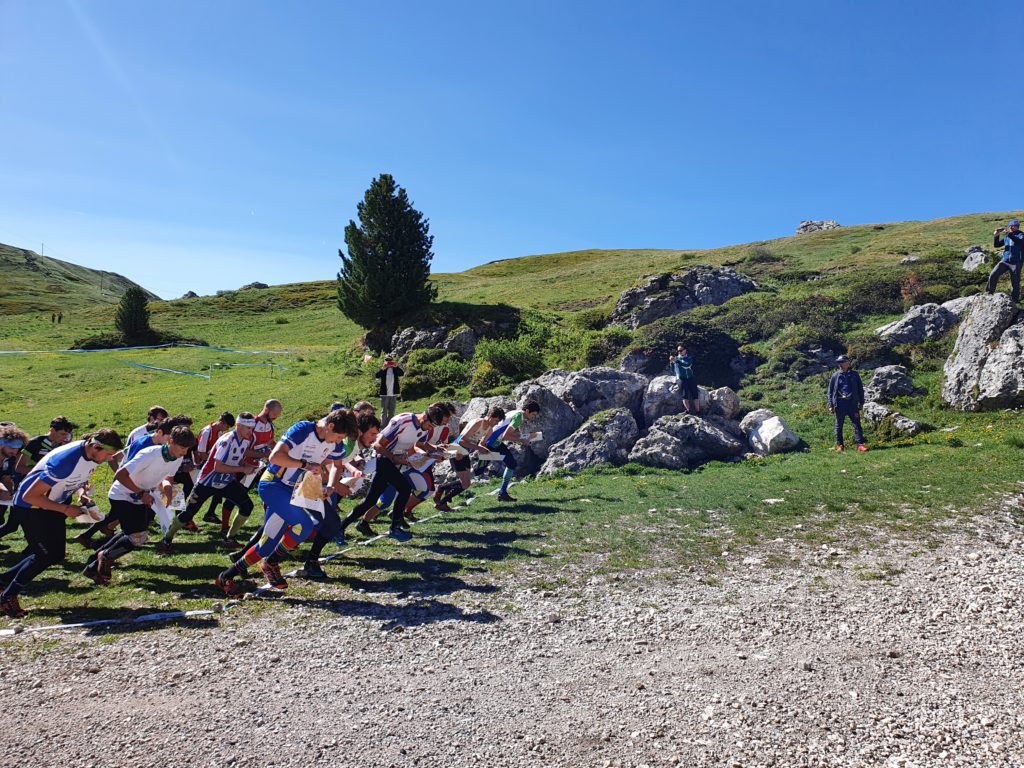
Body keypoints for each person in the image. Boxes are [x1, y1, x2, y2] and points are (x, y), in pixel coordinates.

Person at [215, 409, 358, 595]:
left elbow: (336, 465)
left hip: (300, 487)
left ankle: (226, 576)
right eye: (338, 436)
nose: (339, 442)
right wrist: (305, 465)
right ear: (329, 426)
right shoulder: (303, 429)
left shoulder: (334, 442)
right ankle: (271, 563)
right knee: (303, 526)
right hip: (274, 484)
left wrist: (331, 485)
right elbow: (275, 456)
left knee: (267, 543)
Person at [0, 429, 123, 618]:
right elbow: (30, 495)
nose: (108, 460)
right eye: (107, 455)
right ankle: (7, 596)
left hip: (52, 505)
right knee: (44, 554)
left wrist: (82, 495)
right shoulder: (65, 462)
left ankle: (3, 581)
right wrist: (66, 510)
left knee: (55, 554)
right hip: (30, 507)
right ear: (95, 446)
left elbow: (79, 479)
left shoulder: (92, 454)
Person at [82, 427, 197, 584]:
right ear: (171, 442)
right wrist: (142, 493)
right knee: (137, 537)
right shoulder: (150, 454)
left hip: (141, 497)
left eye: (187, 449)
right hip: (122, 495)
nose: (184, 453)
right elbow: (120, 475)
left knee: (135, 535)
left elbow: (168, 476)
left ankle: (93, 566)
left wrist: (168, 490)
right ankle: (106, 556)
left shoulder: (176, 458)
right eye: (182, 448)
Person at [76, 415, 193, 547]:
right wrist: (141, 491)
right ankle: (98, 543)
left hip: (143, 488)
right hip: (128, 486)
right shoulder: (145, 445)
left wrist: (166, 489)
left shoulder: (168, 453)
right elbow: (126, 470)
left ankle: (97, 538)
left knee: (120, 518)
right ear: (161, 434)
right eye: (168, 437)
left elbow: (165, 475)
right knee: (120, 517)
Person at [338, 403, 449, 543]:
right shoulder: (403, 421)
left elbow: (417, 446)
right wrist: (395, 458)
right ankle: (394, 527)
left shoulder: (425, 427)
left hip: (395, 461)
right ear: (425, 416)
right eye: (430, 425)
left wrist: (433, 454)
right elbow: (378, 445)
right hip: (383, 458)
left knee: (370, 500)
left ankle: (342, 527)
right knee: (404, 489)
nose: (430, 429)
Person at [296, 413, 380, 579]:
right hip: (305, 481)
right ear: (360, 432)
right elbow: (325, 462)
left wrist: (337, 481)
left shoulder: (353, 445)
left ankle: (305, 559)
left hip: (313, 482)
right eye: (372, 434)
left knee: (328, 522)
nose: (374, 439)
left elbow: (338, 463)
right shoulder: (347, 444)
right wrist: (336, 484)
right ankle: (298, 558)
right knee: (328, 522)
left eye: (376, 434)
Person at [158, 414, 257, 554]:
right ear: (238, 426)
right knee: (188, 513)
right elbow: (218, 467)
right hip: (207, 481)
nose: (250, 431)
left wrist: (245, 465)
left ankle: (230, 538)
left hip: (226, 482)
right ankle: (167, 539)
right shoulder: (227, 439)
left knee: (247, 506)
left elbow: (235, 459)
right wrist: (242, 469)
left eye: (252, 428)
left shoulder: (245, 441)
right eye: (248, 428)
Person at [0, 417, 75, 542]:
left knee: (35, 522)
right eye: (62, 434)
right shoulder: (36, 443)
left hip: (45, 488)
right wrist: (42, 474)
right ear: (52, 430)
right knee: (13, 525)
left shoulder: (60, 446)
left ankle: (34, 550)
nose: (64, 437)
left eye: (66, 435)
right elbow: (19, 467)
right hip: (27, 488)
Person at [221, 399, 281, 546]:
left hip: (258, 466)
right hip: (244, 465)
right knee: (235, 497)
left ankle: (268, 527)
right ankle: (224, 527)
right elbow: (244, 448)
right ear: (266, 411)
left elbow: (270, 442)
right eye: (274, 414)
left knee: (266, 492)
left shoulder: (269, 425)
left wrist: (278, 449)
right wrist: (262, 454)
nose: (276, 417)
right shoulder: (251, 424)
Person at [432, 406, 505, 511]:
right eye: (496, 420)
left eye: (498, 422)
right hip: (457, 450)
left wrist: (486, 451)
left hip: (465, 452)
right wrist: (479, 447)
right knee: (465, 483)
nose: (496, 423)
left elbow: (481, 444)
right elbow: (461, 441)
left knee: (466, 483)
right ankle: (442, 497)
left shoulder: (489, 429)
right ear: (489, 416)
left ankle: (442, 491)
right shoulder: (478, 423)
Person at [482, 401, 541, 502]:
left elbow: (505, 433)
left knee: (511, 463)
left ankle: (503, 493)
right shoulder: (519, 417)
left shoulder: (516, 412)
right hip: (492, 442)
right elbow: (505, 436)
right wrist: (523, 440)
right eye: (533, 414)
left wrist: (525, 437)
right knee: (478, 470)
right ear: (527, 411)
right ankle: (453, 487)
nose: (533, 417)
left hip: (494, 441)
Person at [193, 411, 235, 524]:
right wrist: (216, 461)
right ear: (221, 422)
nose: (227, 429)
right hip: (201, 465)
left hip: (212, 465)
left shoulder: (220, 433)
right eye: (226, 426)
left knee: (219, 488)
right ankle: (187, 516)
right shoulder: (207, 432)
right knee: (198, 493)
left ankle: (210, 513)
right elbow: (201, 453)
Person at [828, 355, 867, 452]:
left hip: (852, 404)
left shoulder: (855, 375)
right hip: (839, 404)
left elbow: (860, 389)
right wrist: (830, 405)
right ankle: (840, 445)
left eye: (842, 362)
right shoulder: (835, 376)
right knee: (839, 425)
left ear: (848, 363)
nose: (840, 364)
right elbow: (831, 391)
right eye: (839, 362)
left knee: (857, 424)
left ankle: (860, 445)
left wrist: (861, 402)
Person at [986, 219, 1024, 303]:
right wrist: (996, 236)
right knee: (993, 274)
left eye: (1013, 226)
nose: (1011, 227)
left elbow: (1020, 243)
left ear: (1017, 227)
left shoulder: (1021, 235)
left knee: (1015, 282)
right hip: (1005, 261)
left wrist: (1009, 234)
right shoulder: (1007, 236)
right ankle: (989, 293)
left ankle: (1015, 301)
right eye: (1010, 226)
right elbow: (997, 245)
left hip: (1016, 262)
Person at [670, 344, 699, 415]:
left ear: (685, 350)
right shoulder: (677, 358)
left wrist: (677, 361)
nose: (679, 352)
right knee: (684, 395)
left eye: (680, 350)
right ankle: (688, 411)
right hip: (682, 379)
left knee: (695, 394)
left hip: (690, 378)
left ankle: (698, 411)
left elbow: (687, 365)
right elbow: (673, 369)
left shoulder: (689, 358)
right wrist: (671, 362)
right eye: (678, 351)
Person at [375, 356, 404, 424]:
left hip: (393, 394)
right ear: (384, 361)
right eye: (387, 361)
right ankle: (382, 427)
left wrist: (396, 366)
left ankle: (389, 426)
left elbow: (402, 374)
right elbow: (377, 376)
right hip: (384, 394)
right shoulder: (383, 369)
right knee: (384, 412)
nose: (389, 363)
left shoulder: (395, 369)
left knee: (391, 412)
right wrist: (383, 368)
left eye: (390, 361)